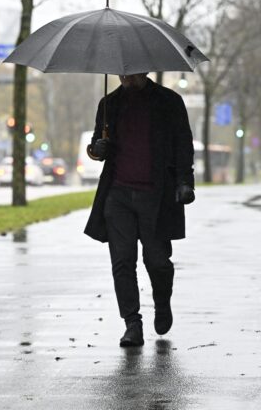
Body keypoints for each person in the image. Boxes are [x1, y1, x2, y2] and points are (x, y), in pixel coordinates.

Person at [84, 73, 195, 347]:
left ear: (145, 69)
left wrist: (185, 182)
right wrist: (97, 148)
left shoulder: (169, 102)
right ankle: (132, 323)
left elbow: (183, 145)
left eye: (132, 71)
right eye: (122, 71)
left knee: (157, 261)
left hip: (156, 195)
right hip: (117, 195)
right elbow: (97, 147)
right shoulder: (109, 104)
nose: (126, 76)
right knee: (122, 262)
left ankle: (162, 301)